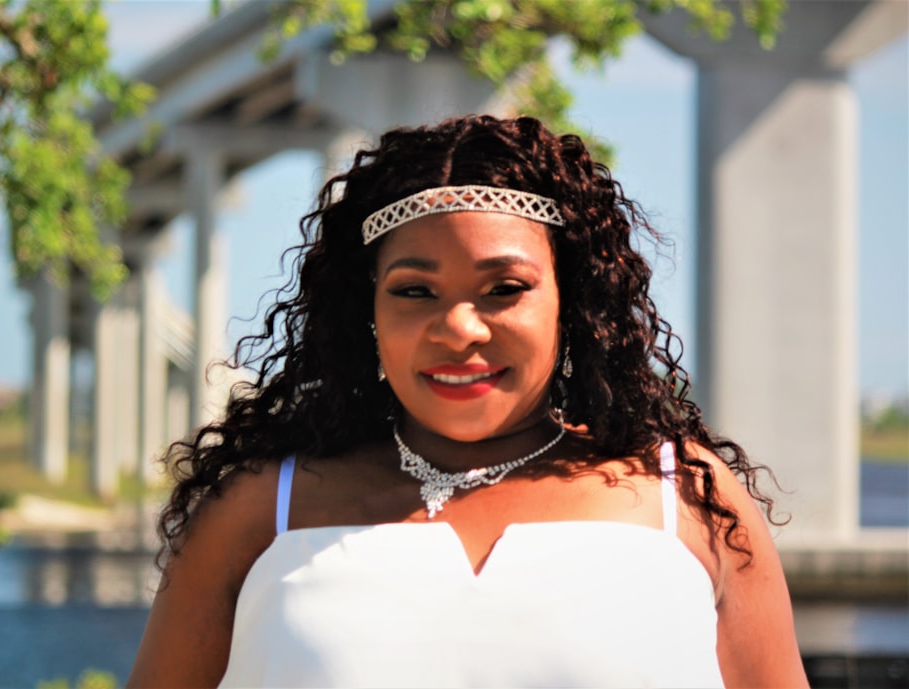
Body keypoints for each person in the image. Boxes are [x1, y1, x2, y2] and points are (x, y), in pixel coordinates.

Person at [127, 115, 808, 688]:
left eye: (504, 288)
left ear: (571, 304)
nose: (459, 328)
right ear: (365, 309)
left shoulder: (685, 497)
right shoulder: (258, 508)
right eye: (415, 291)